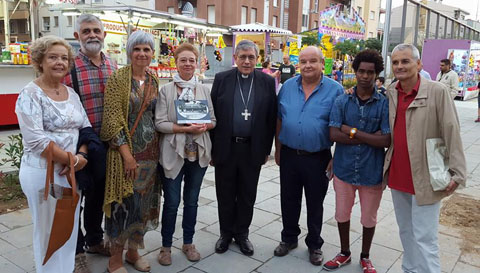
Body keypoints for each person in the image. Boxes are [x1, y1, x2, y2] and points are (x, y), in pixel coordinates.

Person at [386, 44, 466, 273]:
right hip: (398, 174)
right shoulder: (392, 91)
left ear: (419, 64)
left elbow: (452, 130)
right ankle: (410, 269)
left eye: (405, 61)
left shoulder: (437, 91)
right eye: (396, 62)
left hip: (427, 176)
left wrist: (458, 172)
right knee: (406, 232)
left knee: (425, 237)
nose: (400, 66)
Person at [15, 35, 90, 273]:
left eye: (64, 58)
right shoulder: (30, 94)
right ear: (40, 60)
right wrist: (73, 160)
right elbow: (36, 140)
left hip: (71, 172)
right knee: (48, 233)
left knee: (67, 230)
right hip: (42, 173)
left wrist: (81, 157)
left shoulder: (71, 93)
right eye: (53, 57)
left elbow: (85, 127)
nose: (59, 62)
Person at [273, 46, 344, 266]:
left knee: (315, 202)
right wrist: (278, 148)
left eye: (313, 61)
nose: (307, 65)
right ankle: (289, 238)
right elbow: (280, 119)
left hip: (318, 156)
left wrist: (336, 156)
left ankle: (314, 244)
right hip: (290, 154)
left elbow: (342, 126)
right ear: (298, 64)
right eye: (303, 61)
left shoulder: (336, 90)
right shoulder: (287, 87)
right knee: (288, 199)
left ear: (323, 63)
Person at [100, 30, 161, 273]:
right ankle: (114, 259)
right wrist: (127, 156)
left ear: (152, 54)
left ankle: (134, 252)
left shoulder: (154, 80)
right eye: (137, 49)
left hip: (151, 156)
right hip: (126, 156)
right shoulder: (118, 79)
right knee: (122, 207)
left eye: (146, 49)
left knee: (142, 207)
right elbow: (113, 120)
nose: (142, 54)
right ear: (129, 52)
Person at [324, 49, 390, 273]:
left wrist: (350, 130)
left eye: (370, 72)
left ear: (377, 74)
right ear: (355, 71)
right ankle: (344, 252)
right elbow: (333, 134)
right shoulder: (342, 100)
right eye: (361, 71)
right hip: (343, 169)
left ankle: (365, 256)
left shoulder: (384, 103)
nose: (365, 76)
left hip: (372, 171)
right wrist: (370, 137)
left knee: (368, 217)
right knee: (342, 213)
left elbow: (386, 140)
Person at [211, 39, 277, 256]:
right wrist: (212, 148)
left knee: (248, 194)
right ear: (235, 58)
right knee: (225, 193)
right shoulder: (222, 79)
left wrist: (266, 149)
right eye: (243, 57)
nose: (247, 61)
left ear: (257, 59)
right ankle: (225, 234)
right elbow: (212, 114)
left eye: (251, 57)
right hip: (226, 147)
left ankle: (242, 234)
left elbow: (270, 118)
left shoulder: (267, 82)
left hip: (252, 148)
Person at [62, 14, 117, 273]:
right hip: (79, 147)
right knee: (75, 200)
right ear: (77, 36)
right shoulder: (68, 68)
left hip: (107, 147)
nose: (92, 35)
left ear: (104, 34)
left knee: (98, 197)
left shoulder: (113, 65)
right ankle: (75, 252)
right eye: (86, 31)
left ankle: (94, 239)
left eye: (97, 30)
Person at [155, 43, 216, 266]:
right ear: (176, 62)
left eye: (191, 60)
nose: (187, 64)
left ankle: (188, 242)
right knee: (171, 202)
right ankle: (166, 246)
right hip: (173, 152)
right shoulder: (166, 90)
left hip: (197, 153)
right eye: (183, 60)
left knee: (191, 201)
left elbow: (213, 121)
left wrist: (203, 126)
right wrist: (184, 128)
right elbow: (160, 123)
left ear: (196, 62)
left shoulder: (203, 90)